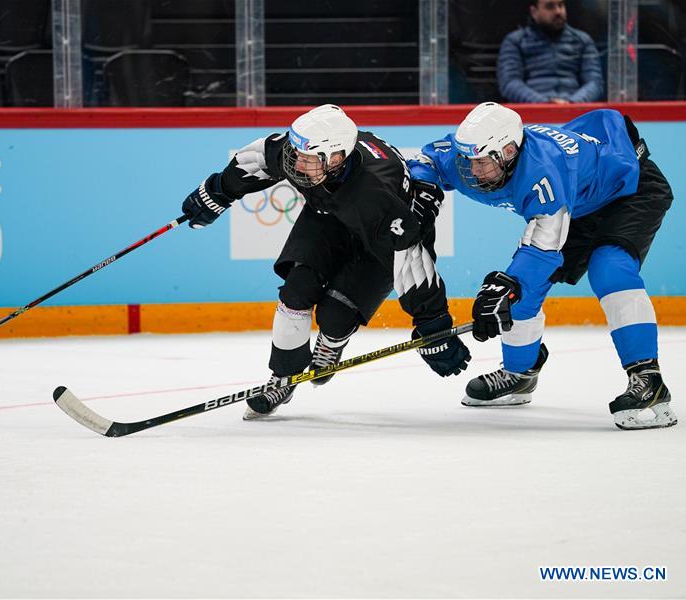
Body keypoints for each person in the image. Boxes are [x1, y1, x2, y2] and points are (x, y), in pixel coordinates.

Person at [181, 104, 471, 420]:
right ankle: (282, 376)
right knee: (297, 288)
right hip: (329, 216)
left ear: (336, 159)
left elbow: (411, 253)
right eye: (295, 153)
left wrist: (433, 323)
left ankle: (332, 342)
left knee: (335, 314)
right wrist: (218, 191)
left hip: (380, 239)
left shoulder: (376, 194)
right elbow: (264, 155)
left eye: (306, 159)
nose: (295, 164)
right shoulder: (309, 150)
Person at [407, 102, 676, 430]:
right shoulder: (470, 156)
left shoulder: (543, 171)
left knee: (610, 267)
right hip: (578, 201)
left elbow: (542, 249)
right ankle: (520, 373)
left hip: (628, 190)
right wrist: (423, 186)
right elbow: (427, 157)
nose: (473, 172)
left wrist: (508, 285)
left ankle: (648, 379)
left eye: (481, 163)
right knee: (523, 289)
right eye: (468, 161)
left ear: (508, 151)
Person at [498, 0, 603, 104]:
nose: (558, 11)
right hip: (532, 112)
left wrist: (572, 103)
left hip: (575, 110)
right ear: (534, 12)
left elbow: (595, 82)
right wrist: (544, 103)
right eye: (550, 6)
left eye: (560, 5)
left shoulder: (583, 40)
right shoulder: (515, 41)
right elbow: (509, 83)